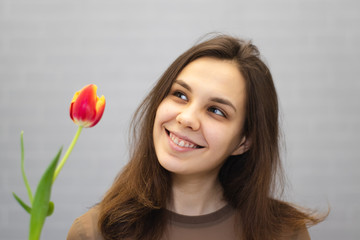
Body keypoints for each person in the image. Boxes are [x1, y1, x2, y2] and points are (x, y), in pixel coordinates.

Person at [67, 34, 326, 240]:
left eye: (216, 111)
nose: (186, 118)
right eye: (180, 95)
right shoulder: (95, 232)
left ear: (243, 141)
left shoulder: (283, 234)